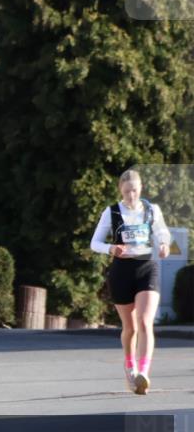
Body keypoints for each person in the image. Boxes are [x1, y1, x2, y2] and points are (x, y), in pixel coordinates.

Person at [89, 169, 171, 395]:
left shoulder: (152, 210)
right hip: (122, 271)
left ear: (140, 188)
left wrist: (164, 244)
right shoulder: (112, 212)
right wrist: (111, 248)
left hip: (148, 266)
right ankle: (129, 364)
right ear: (120, 191)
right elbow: (94, 243)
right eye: (126, 192)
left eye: (134, 190)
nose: (131, 196)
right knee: (130, 327)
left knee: (145, 322)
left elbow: (162, 232)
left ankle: (143, 373)